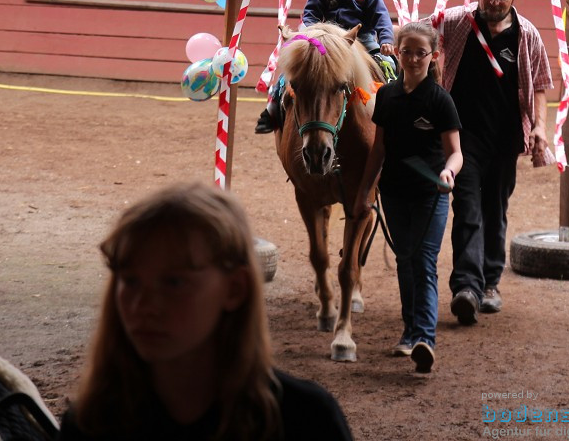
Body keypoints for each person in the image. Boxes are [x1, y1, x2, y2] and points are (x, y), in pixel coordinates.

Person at [56, 182, 353, 441]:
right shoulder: (92, 424)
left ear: (234, 289)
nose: (141, 306)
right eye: (130, 281)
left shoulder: (307, 423)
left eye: (173, 282)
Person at [431, 0, 553, 326]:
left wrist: (540, 128)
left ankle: (490, 284)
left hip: (505, 138)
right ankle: (466, 287)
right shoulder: (455, 21)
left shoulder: (527, 34)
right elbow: (415, 32)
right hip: (461, 137)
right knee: (467, 206)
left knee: (495, 209)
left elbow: (542, 84)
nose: (494, 1)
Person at [354, 21, 462, 374]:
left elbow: (455, 153)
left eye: (421, 52)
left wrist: (448, 171)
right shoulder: (386, 95)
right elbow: (378, 149)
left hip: (432, 195)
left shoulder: (440, 99)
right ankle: (409, 330)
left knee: (424, 261)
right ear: (396, 52)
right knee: (405, 260)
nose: (414, 58)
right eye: (407, 51)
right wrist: (364, 193)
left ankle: (424, 340)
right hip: (395, 193)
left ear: (432, 56)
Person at [256, 0, 396, 134]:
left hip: (362, 39)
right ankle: (273, 109)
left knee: (388, 65)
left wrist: (386, 39)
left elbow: (381, 17)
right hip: (326, 42)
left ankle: (396, 109)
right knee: (291, 71)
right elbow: (310, 13)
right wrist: (308, 33)